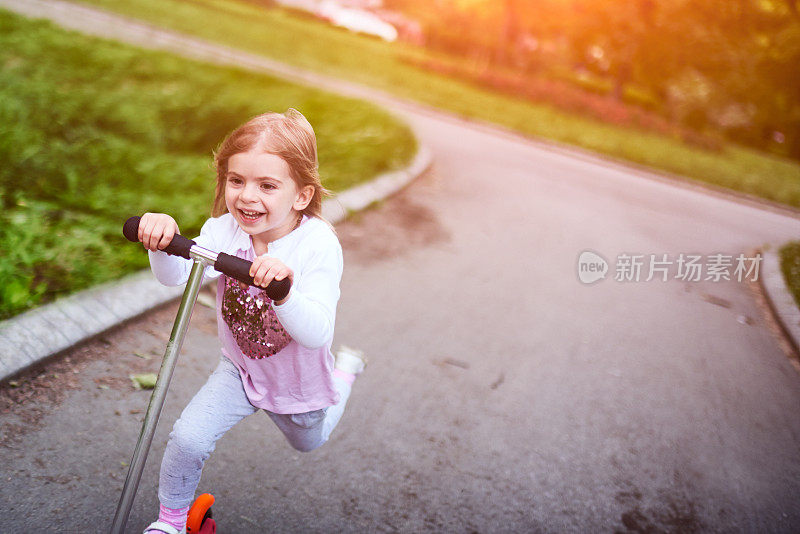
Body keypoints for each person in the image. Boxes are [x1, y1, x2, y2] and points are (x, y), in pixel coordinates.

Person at [136, 109, 365, 534]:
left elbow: (316, 333)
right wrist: (162, 243)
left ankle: (344, 375)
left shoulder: (317, 245)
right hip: (241, 369)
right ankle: (169, 523)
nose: (246, 196)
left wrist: (284, 292)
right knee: (188, 437)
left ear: (300, 195)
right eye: (236, 180)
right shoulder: (224, 229)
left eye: (267, 186)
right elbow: (179, 281)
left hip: (298, 381)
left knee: (310, 442)